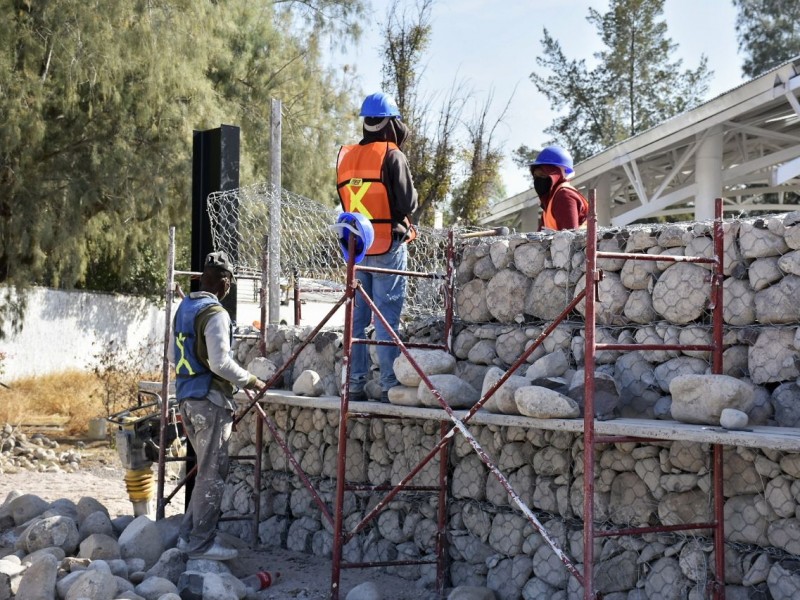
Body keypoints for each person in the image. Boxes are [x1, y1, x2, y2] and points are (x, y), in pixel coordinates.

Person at [170, 251, 266, 561]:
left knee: (204, 472)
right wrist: (251, 380)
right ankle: (202, 545)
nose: (229, 290)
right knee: (212, 474)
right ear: (224, 282)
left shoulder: (184, 308)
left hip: (186, 398)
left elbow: (172, 357)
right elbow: (221, 362)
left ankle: (187, 538)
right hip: (209, 400)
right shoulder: (215, 313)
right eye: (230, 285)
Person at [336, 92, 418, 403]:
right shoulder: (392, 154)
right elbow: (407, 202)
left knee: (357, 319)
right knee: (386, 318)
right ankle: (387, 385)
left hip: (357, 249)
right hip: (387, 244)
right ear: (391, 122)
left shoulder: (346, 157)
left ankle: (354, 384)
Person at [529, 145, 589, 231]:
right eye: (536, 176)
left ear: (555, 175)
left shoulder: (564, 196)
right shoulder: (550, 201)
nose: (538, 180)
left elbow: (570, 238)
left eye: (543, 175)